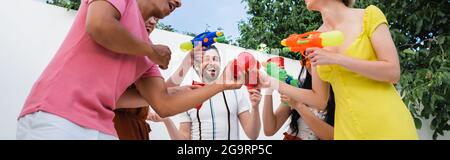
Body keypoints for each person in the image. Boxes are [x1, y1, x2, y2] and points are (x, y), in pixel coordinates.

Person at [16, 0, 244, 140]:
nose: (181, 2)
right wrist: (151, 51)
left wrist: (221, 84)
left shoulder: (145, 51)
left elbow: (163, 103)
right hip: (57, 115)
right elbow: (99, 25)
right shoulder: (146, 47)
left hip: (102, 126)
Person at [261, 0, 418, 139]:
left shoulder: (369, 15)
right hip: (347, 131)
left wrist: (336, 59)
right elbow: (319, 100)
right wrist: (272, 83)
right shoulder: (315, 39)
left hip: (388, 124)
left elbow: (392, 72)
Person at [148, 47, 262, 140]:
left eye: (215, 59)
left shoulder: (237, 93)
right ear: (196, 65)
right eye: (206, 59)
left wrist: (255, 107)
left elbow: (253, 135)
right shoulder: (187, 95)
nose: (211, 62)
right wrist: (167, 120)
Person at [263, 60, 335, 140]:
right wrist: (269, 90)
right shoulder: (298, 87)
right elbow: (270, 130)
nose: (309, 66)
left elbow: (334, 137)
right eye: (306, 60)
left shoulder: (342, 97)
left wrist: (297, 105)